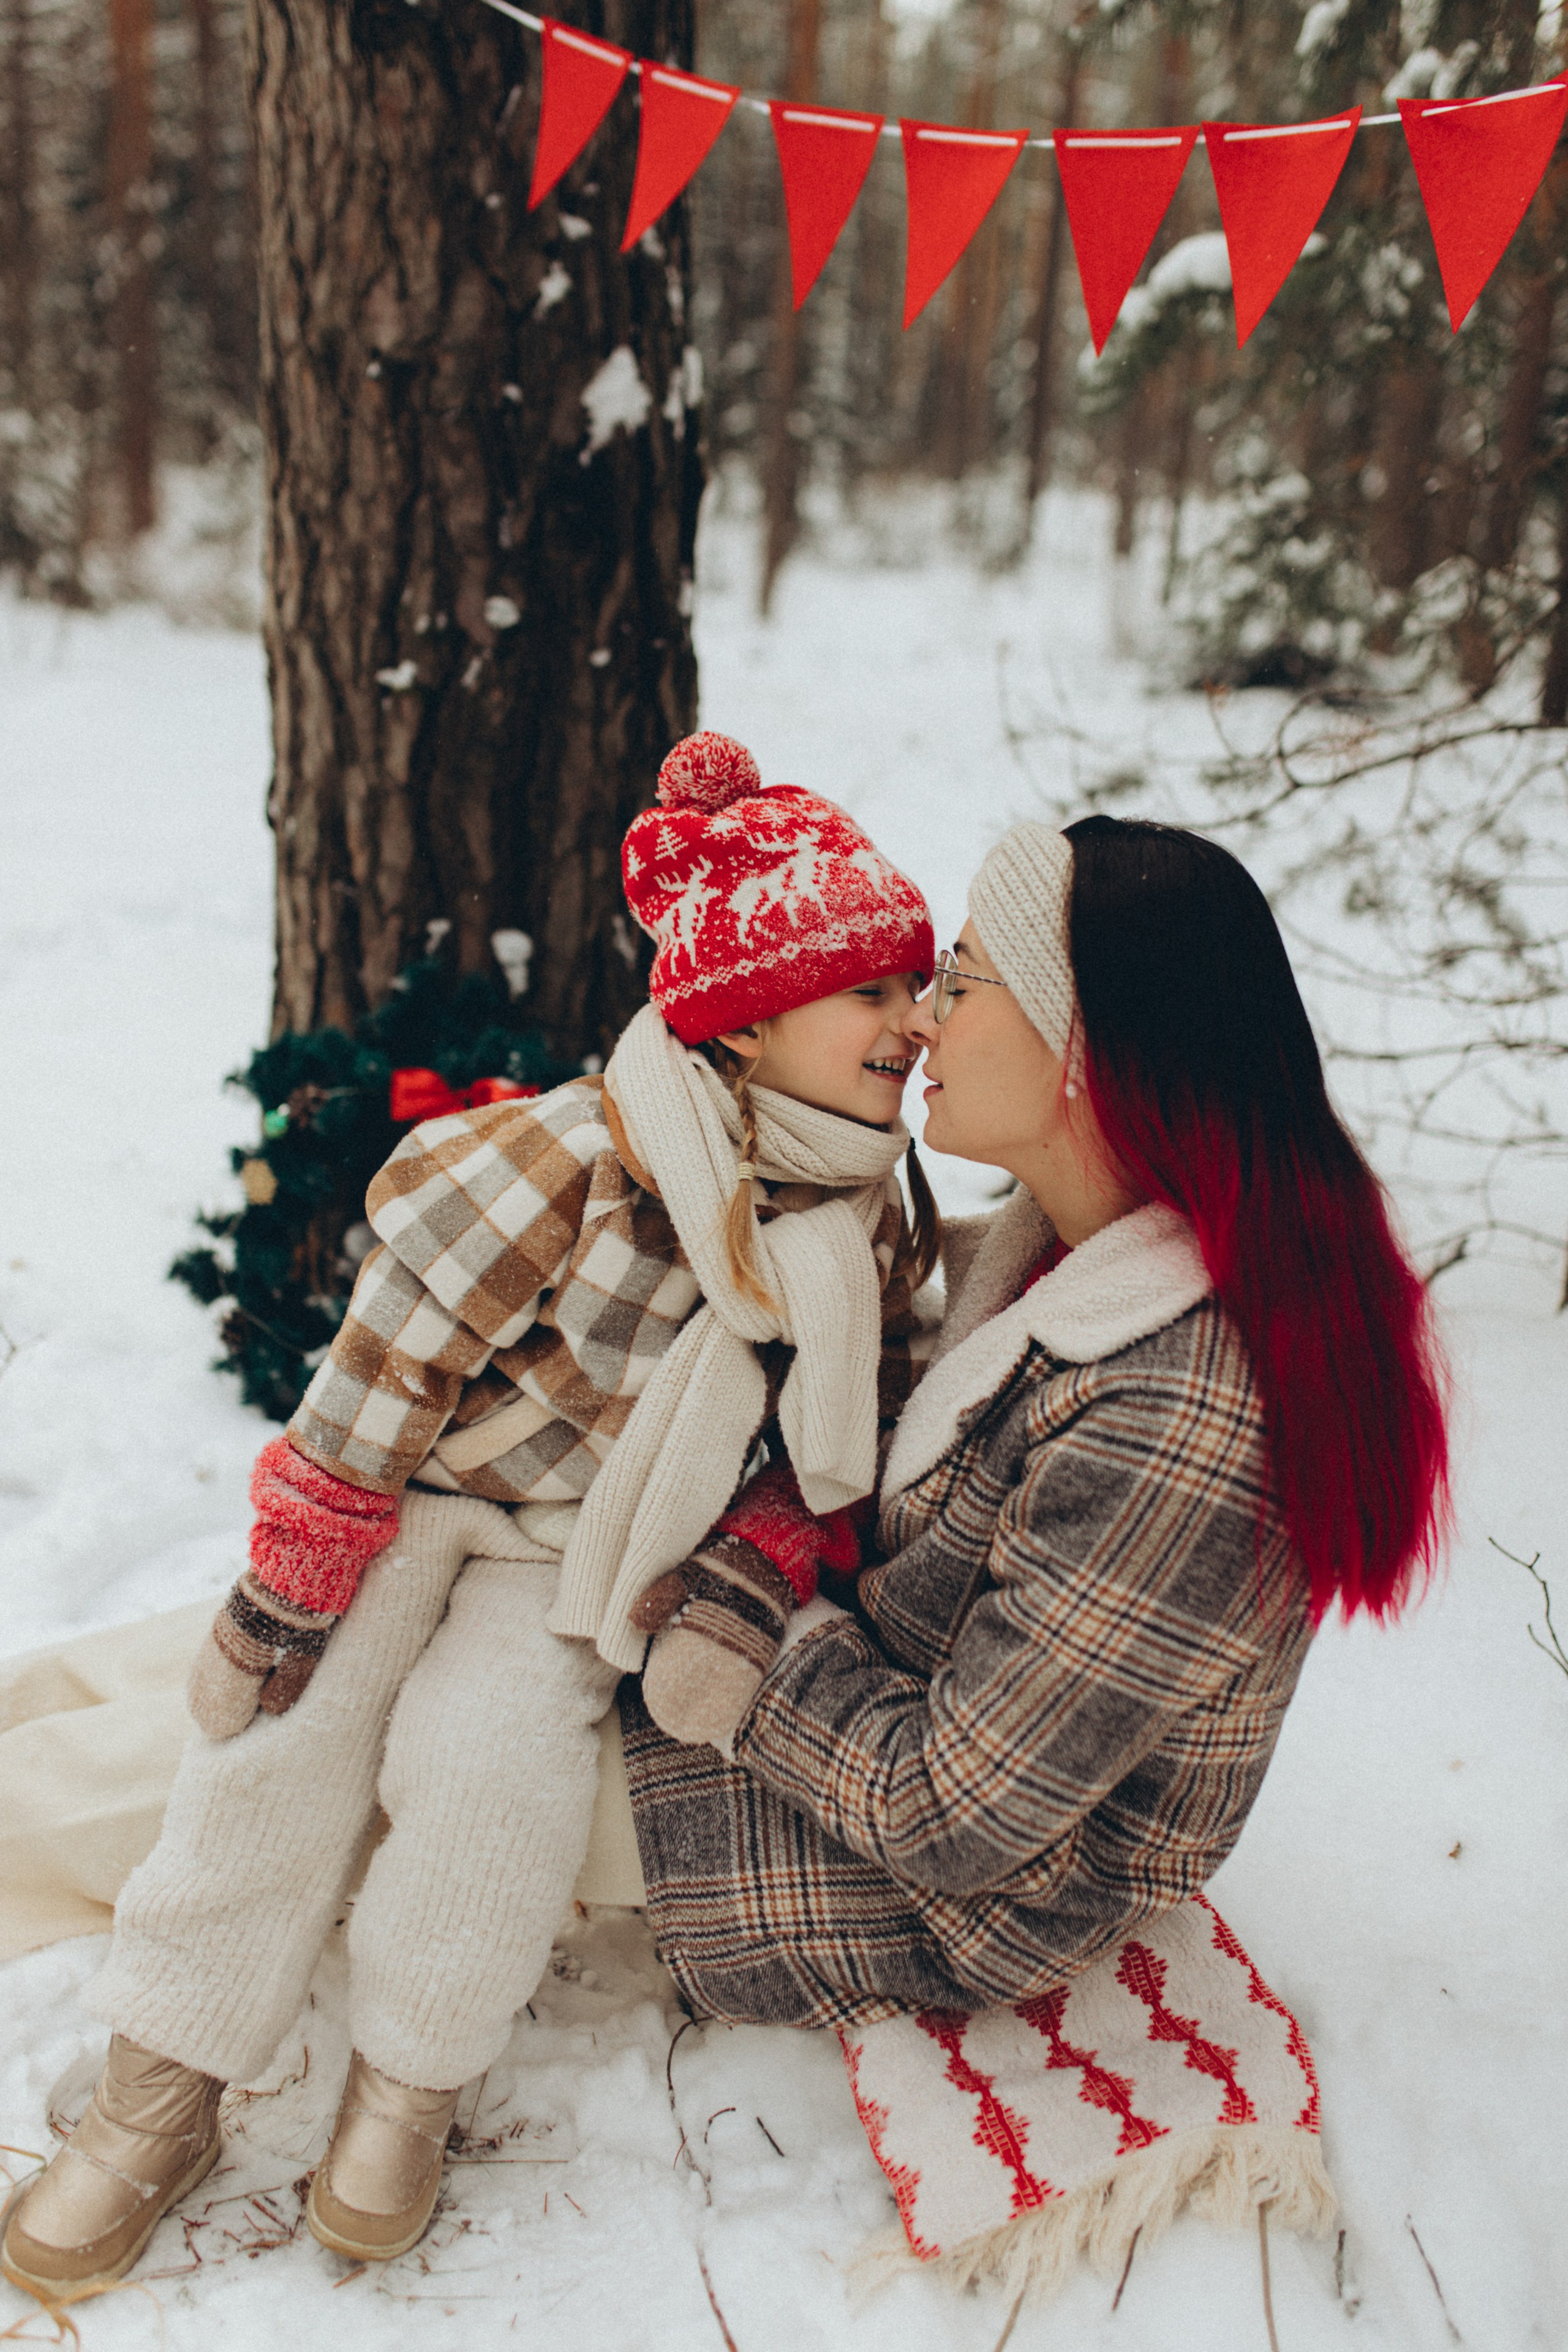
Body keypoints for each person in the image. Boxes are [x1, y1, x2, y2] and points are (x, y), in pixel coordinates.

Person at [1, 733, 941, 2304]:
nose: (913, 1027)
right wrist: (293, 1581)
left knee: (490, 1780)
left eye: (919, 991)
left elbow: (805, 1454)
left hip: (574, 1552)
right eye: (875, 994)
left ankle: (406, 2088)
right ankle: (156, 2087)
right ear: (750, 1012)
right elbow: (388, 1364)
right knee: (284, 1747)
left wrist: (733, 1583)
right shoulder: (579, 1160)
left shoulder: (863, 1217)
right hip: (416, 1493)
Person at [625, 814, 1451, 2029]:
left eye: (958, 981)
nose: (917, 1020)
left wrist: (743, 1626)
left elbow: (949, 1813)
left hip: (961, 1892)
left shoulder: (1176, 1413)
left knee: (456, 1761)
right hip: (897, 1726)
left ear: (1082, 1041)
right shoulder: (1061, 1249)